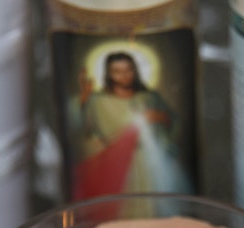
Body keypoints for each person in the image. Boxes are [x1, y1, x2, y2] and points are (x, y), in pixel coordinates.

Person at [73, 51, 190, 199]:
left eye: (128, 70)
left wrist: (161, 117)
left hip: (155, 163)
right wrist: (84, 100)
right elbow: (88, 130)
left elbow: (173, 122)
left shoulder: (150, 97)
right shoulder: (98, 101)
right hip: (120, 166)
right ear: (109, 74)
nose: (124, 75)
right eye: (117, 72)